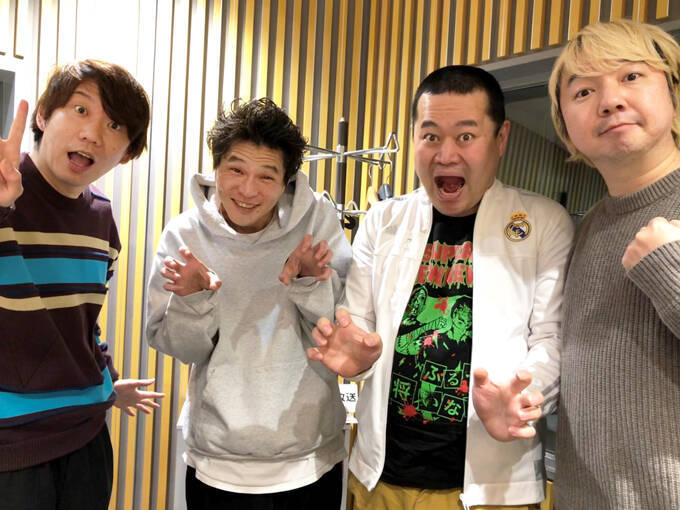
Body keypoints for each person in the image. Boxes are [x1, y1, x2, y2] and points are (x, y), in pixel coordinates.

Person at [309, 65, 575, 510]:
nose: (446, 154)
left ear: (501, 138)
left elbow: (551, 338)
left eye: (466, 136)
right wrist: (356, 359)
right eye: (430, 136)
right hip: (379, 478)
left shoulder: (544, 222)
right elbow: (358, 320)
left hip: (492, 488)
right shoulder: (383, 220)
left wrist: (527, 395)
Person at [146, 97, 373, 510]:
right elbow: (183, 349)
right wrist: (193, 299)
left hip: (310, 457)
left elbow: (336, 335)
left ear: (286, 181)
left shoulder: (317, 225)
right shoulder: (184, 236)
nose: (248, 190)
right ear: (216, 168)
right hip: (217, 459)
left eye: (266, 176)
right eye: (235, 169)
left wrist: (309, 282)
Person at [0, 60, 163, 510]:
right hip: (12, 445)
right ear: (42, 115)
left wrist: (105, 379)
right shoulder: (3, 192)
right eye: (80, 109)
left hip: (87, 433)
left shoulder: (101, 217)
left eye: (114, 125)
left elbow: (80, 319)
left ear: (127, 153)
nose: (92, 133)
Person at [548, 19, 680, 509]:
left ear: (672, 91)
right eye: (583, 91)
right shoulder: (588, 228)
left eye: (631, 76)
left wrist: (669, 268)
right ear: (565, 124)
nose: (609, 101)